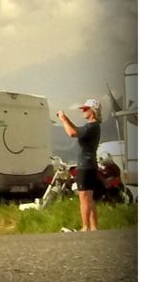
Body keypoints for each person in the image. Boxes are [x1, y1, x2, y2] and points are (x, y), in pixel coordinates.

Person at [57, 98, 101, 231]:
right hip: (91, 165)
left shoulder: (90, 127)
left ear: (93, 111)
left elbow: (72, 132)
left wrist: (63, 119)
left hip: (85, 166)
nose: (83, 111)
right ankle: (93, 227)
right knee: (89, 198)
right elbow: (76, 129)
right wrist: (66, 118)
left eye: (86, 109)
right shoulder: (94, 127)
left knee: (83, 197)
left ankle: (85, 226)